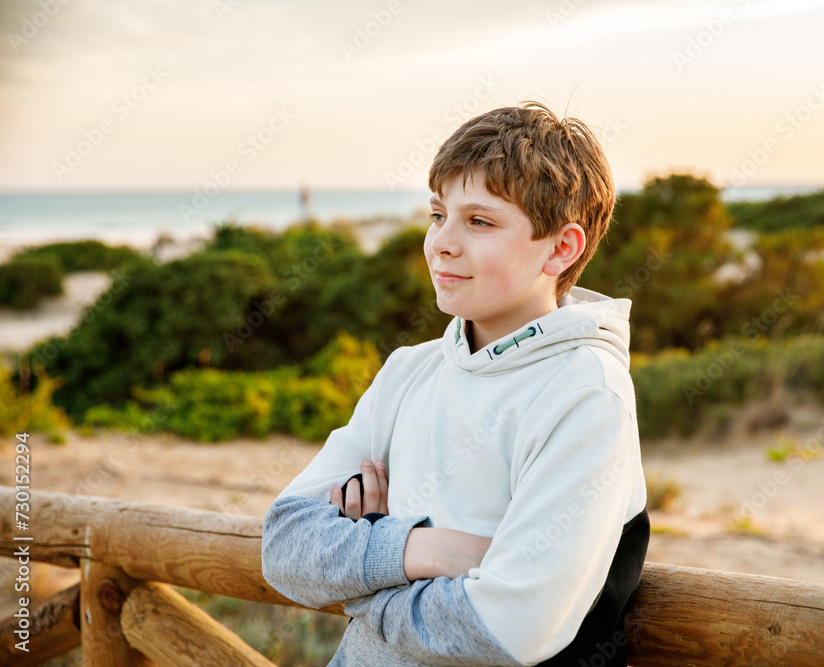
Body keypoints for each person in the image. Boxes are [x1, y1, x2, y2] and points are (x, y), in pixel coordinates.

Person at [261, 101, 649, 666]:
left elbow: (507, 627)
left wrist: (361, 584)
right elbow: (285, 543)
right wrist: (428, 549)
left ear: (561, 248)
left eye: (480, 221)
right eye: (437, 214)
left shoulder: (588, 394)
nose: (442, 241)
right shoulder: (409, 370)